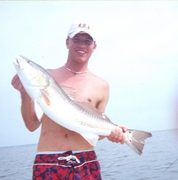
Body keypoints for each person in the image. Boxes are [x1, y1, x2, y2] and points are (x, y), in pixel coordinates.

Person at [12, 22, 127, 180]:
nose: (81, 45)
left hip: (86, 162)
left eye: (87, 41)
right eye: (76, 39)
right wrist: (24, 94)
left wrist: (112, 133)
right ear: (67, 42)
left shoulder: (102, 85)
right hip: (48, 162)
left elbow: (96, 134)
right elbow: (31, 126)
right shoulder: (48, 77)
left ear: (94, 46)